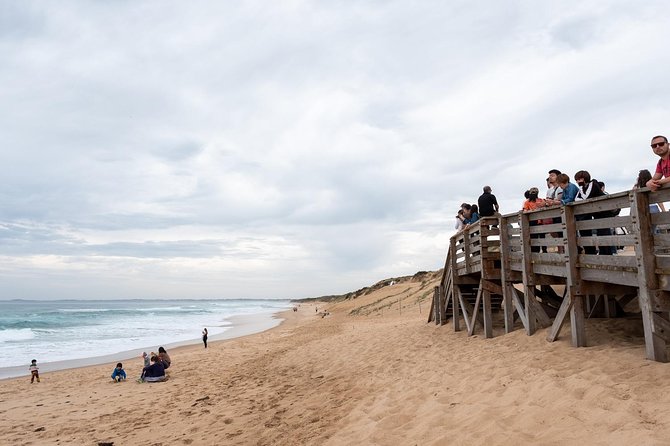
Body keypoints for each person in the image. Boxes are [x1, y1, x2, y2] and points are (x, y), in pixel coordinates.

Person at [574, 170, 615, 255]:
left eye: (579, 179)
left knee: (604, 232)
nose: (578, 181)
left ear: (585, 178)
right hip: (596, 212)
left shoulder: (593, 184)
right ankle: (602, 253)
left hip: (603, 211)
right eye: (577, 180)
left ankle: (608, 254)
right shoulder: (582, 188)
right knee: (600, 233)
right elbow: (576, 199)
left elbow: (586, 197)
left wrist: (581, 197)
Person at [522, 187, 546, 253]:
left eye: (534, 193)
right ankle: (535, 252)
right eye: (532, 193)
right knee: (534, 238)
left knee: (542, 237)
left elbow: (545, 205)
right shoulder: (527, 202)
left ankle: (544, 251)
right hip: (533, 222)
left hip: (540, 221)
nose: (533, 194)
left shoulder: (541, 200)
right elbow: (525, 210)